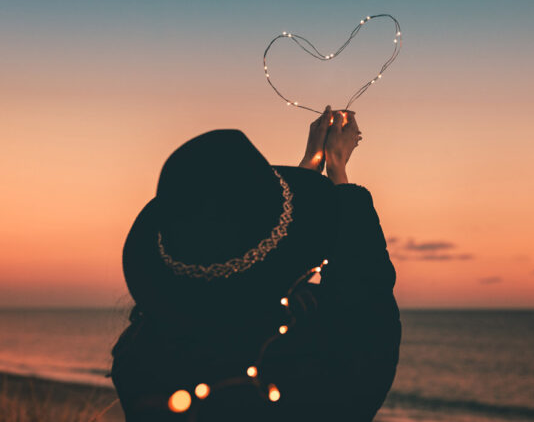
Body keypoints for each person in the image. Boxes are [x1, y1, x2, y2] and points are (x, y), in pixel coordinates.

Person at [110, 106, 401, 421]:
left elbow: (240, 241)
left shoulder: (138, 361)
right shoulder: (306, 374)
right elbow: (367, 308)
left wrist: (307, 173)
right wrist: (337, 172)